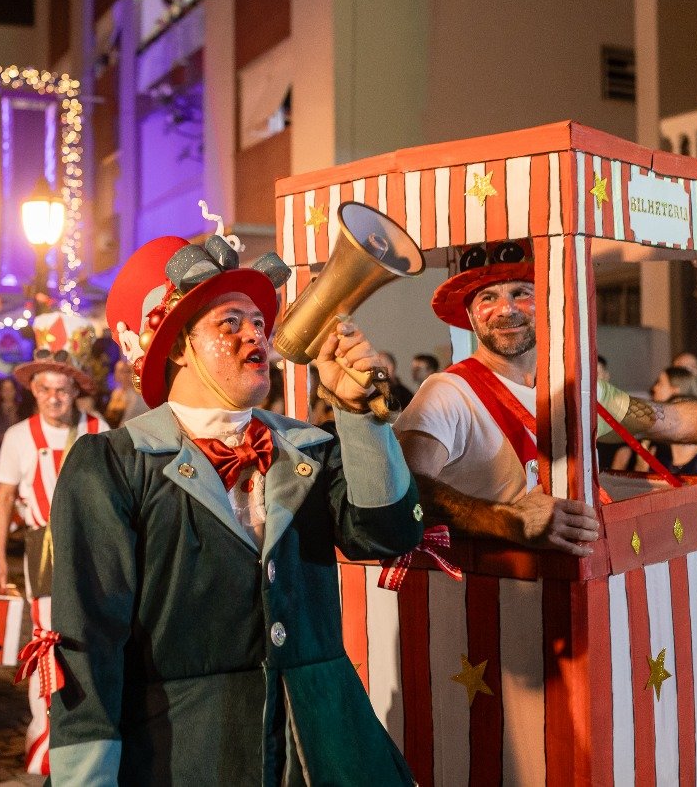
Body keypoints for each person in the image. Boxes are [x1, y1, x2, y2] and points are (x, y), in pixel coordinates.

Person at [47, 232, 422, 784]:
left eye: (257, 323)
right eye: (230, 323)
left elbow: (388, 536)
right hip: (188, 754)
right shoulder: (112, 464)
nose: (257, 338)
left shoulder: (309, 448)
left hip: (322, 747)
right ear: (177, 347)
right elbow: (90, 639)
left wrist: (359, 414)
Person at [395, 243, 697, 555]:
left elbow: (675, 421)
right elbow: (410, 485)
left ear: (544, 305)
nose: (505, 310)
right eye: (487, 299)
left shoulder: (578, 390)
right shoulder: (448, 392)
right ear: (471, 317)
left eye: (521, 292)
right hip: (491, 601)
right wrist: (505, 521)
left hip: (571, 594)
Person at [0, 312, 107, 775]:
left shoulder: (99, 431)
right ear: (32, 391)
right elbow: (2, 501)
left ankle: (91, 732)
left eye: (62, 388)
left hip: (96, 550)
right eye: (44, 389)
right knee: (48, 639)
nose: (53, 398)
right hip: (43, 550)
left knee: (95, 635)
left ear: (77, 388)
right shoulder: (19, 437)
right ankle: (47, 741)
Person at [102, 358, 147, 428]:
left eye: (128, 371)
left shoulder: (139, 396)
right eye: (122, 371)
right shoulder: (114, 394)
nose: (125, 375)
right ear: (115, 374)